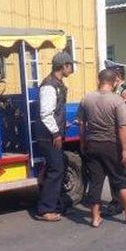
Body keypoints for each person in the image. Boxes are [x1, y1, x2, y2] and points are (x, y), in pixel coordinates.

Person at [79, 68, 126, 228]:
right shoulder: (117, 100)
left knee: (95, 182)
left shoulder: (87, 98)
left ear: (99, 80)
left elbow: (82, 124)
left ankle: (95, 218)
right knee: (122, 180)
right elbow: (123, 127)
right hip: (112, 146)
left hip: (92, 144)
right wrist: (125, 150)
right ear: (114, 82)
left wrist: (83, 142)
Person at [35, 51, 77, 222]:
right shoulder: (49, 86)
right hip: (48, 136)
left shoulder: (57, 83)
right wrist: (56, 132)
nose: (72, 68)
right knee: (56, 170)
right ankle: (45, 210)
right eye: (70, 65)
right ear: (63, 66)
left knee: (59, 167)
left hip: (53, 133)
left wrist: (61, 125)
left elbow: (55, 112)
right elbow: (46, 114)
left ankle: (58, 205)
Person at [104, 59, 126, 215]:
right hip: (117, 136)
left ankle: (120, 202)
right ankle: (122, 200)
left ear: (117, 75)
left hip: (124, 136)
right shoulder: (116, 91)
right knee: (117, 169)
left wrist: (124, 145)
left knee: (119, 169)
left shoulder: (125, 92)